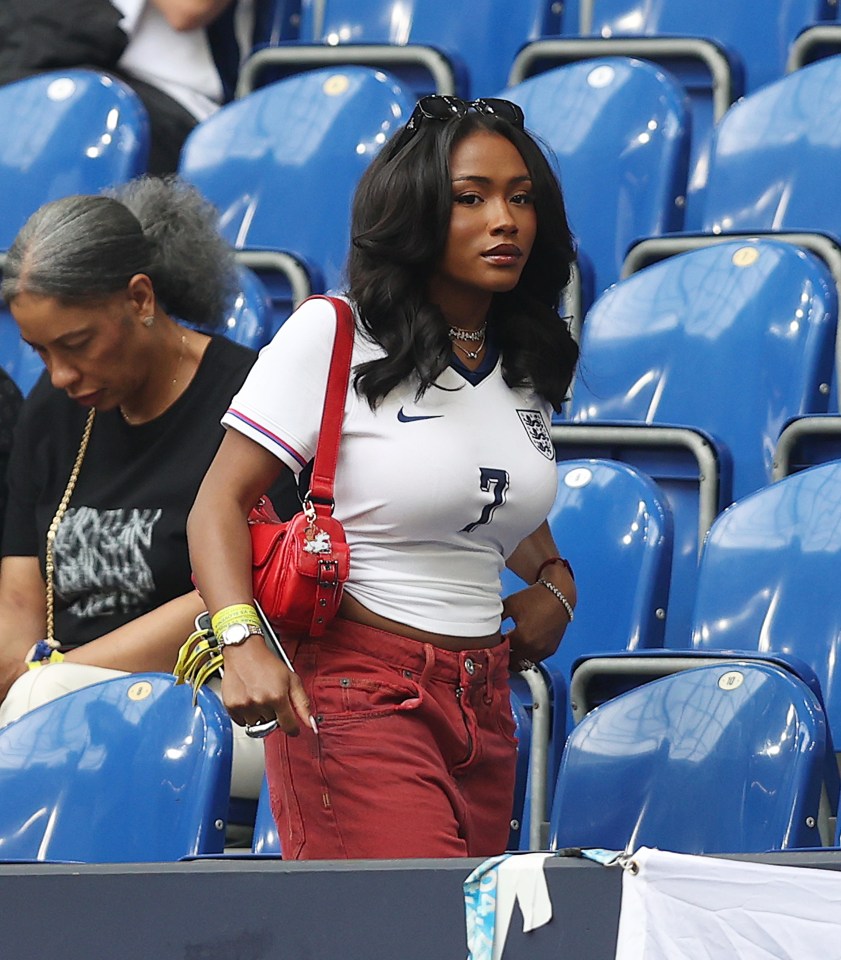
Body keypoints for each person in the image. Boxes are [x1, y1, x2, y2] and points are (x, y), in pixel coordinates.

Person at [187, 95, 580, 860]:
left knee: (469, 933)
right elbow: (217, 504)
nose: (505, 219)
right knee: (414, 930)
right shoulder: (331, 333)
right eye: (471, 198)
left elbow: (492, 491)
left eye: (521, 197)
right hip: (357, 691)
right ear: (416, 212)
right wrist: (241, 642)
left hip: (484, 696)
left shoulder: (521, 351)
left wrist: (555, 579)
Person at [0, 175, 271, 798]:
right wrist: (29, 680)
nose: (61, 374)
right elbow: (21, 590)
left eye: (77, 344)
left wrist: (58, 682)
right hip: (57, 700)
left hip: (218, 696)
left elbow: (230, 592)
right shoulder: (51, 410)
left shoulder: (250, 400)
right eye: (39, 353)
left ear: (141, 298)